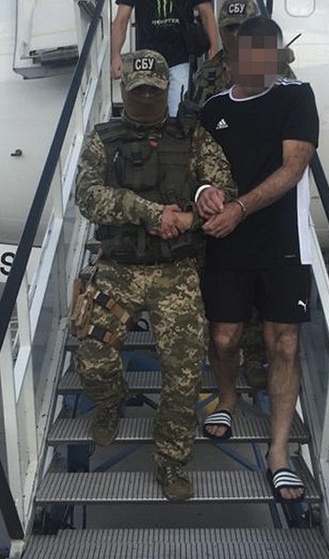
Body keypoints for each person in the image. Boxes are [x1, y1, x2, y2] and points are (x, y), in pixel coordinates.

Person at [74, 50, 236, 502]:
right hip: (118, 268)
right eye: (138, 90)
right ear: (125, 90)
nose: (146, 97)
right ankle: (111, 402)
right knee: (93, 360)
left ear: (167, 89)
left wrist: (196, 210)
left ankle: (171, 462)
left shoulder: (193, 137)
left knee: (183, 373)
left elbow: (226, 190)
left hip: (175, 271)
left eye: (154, 90)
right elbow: (87, 196)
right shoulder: (103, 139)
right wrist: (148, 212)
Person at [197, 16, 319, 502]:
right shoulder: (213, 108)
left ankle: (279, 453)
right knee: (224, 338)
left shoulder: (296, 96)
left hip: (282, 241)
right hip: (227, 242)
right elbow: (198, 167)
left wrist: (239, 209)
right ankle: (227, 398)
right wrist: (204, 192)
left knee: (283, 344)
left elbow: (294, 167)